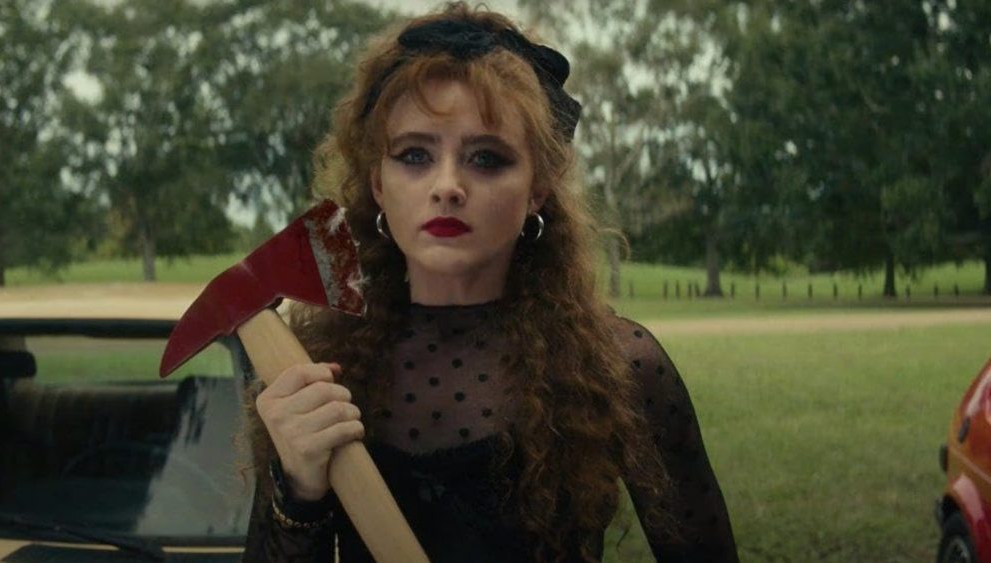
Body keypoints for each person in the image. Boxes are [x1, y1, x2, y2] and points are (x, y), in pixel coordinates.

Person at [241, 3, 739, 562]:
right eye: (414, 155)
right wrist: (298, 488)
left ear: (537, 189)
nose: (447, 186)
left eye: (486, 158)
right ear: (378, 183)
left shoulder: (621, 367)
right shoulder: (312, 372)